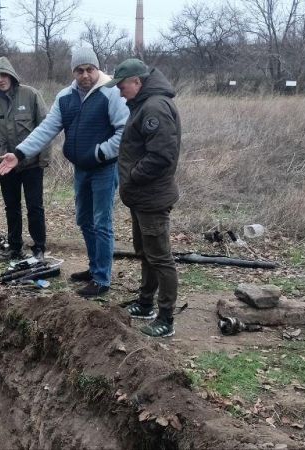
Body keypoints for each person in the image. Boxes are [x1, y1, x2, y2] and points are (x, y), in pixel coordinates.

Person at [0, 47, 128, 298]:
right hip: (81, 168)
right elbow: (46, 129)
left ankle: (102, 279)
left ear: (97, 68)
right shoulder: (65, 97)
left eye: (90, 69)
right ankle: (93, 268)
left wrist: (100, 152)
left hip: (104, 168)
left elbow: (124, 132)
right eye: (80, 70)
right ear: (73, 71)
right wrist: (20, 153)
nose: (85, 75)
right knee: (84, 220)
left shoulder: (111, 92)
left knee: (102, 222)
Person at [105, 58, 182, 338]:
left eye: (122, 85)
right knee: (146, 253)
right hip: (141, 196)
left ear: (137, 81)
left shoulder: (154, 107)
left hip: (152, 196)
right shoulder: (143, 104)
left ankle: (165, 318)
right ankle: (146, 303)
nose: (119, 91)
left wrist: (133, 176)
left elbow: (162, 155)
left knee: (160, 257)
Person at [0, 56, 49, 261]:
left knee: (34, 206)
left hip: (31, 163)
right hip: (5, 166)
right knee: (11, 206)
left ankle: (39, 248)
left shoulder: (31, 95)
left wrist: (43, 159)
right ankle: (15, 248)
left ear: (11, 75)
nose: (1, 79)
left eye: (4, 75)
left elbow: (45, 128)